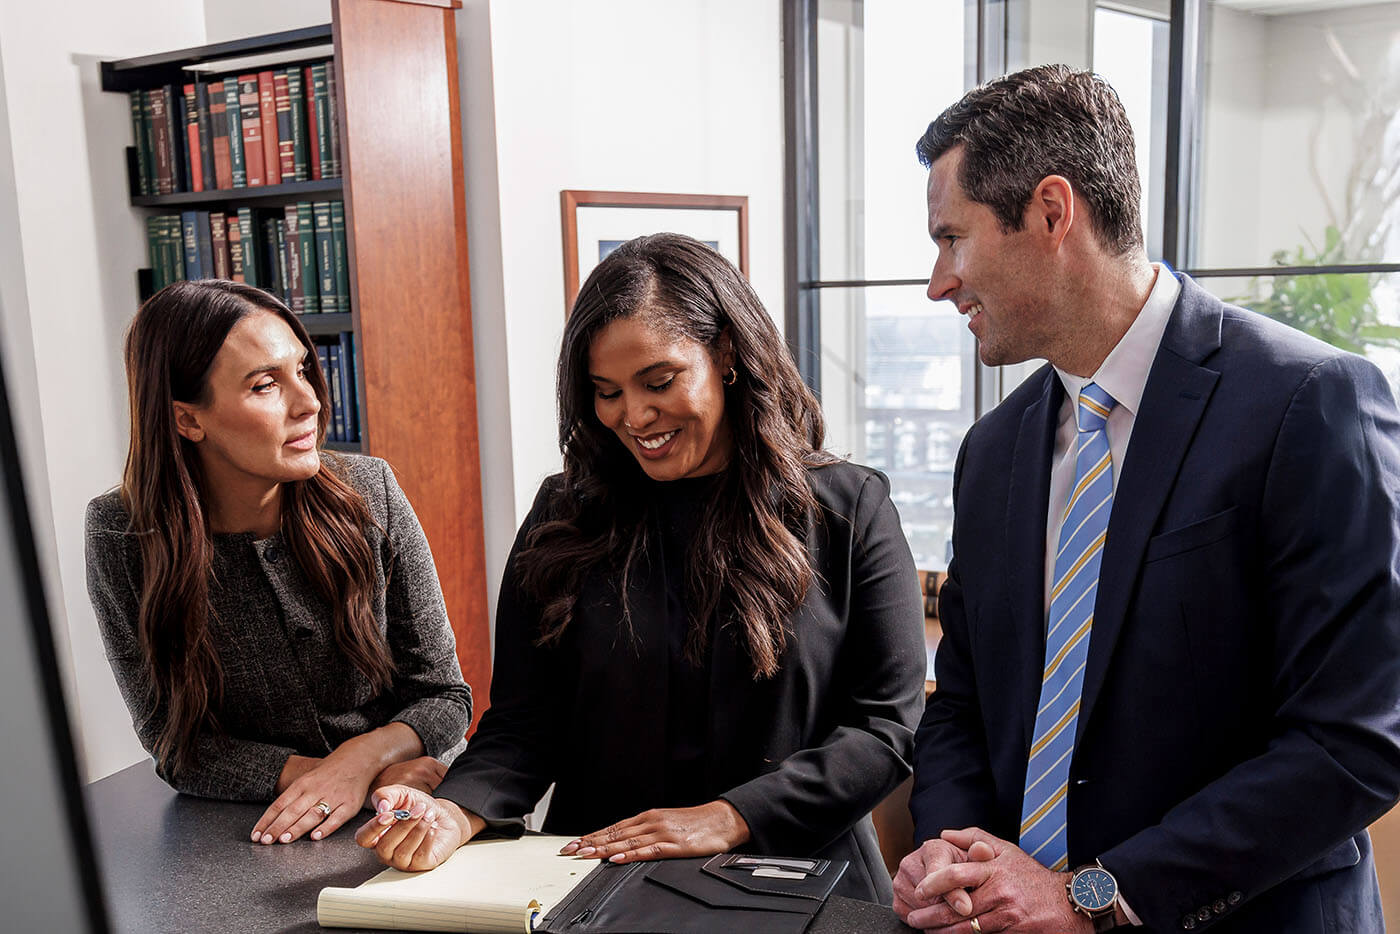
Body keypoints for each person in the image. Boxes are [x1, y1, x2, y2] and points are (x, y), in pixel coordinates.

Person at [896, 64, 1400, 933]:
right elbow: (965, 704)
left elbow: (1355, 739)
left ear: (1053, 213)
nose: (939, 281)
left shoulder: (1312, 400)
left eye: (953, 239)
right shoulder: (993, 451)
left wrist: (1094, 895)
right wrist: (950, 849)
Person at [354, 233, 927, 902]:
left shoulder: (848, 508)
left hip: (800, 877)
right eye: (606, 392)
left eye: (659, 381)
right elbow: (520, 727)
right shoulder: (562, 514)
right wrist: (455, 811)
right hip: (598, 879)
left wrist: (729, 817)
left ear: (728, 355)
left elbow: (886, 727)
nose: (633, 416)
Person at [85, 279, 472, 847]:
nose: (310, 401)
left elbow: (445, 696)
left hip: (412, 809)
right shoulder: (122, 532)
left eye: (304, 370)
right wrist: (342, 775)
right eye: (266, 385)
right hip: (248, 831)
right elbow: (175, 744)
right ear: (188, 420)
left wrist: (368, 755)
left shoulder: (372, 490)